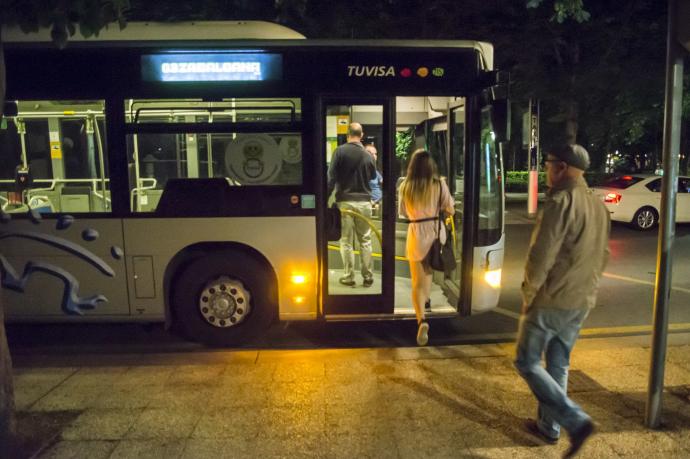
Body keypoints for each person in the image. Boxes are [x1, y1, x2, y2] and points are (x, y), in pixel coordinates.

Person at [514, 144, 610, 458]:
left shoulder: (560, 201)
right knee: (558, 362)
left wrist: (529, 293)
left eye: (548, 164)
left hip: (553, 298)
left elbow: (541, 255)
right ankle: (549, 427)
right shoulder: (598, 205)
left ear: (563, 167)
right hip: (582, 299)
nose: (546, 169)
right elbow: (604, 255)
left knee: (526, 361)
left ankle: (575, 420)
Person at [398, 149, 454, 346]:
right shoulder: (439, 184)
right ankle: (426, 302)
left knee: (417, 282)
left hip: (416, 234)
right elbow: (450, 208)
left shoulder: (405, 186)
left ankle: (421, 319)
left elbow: (403, 213)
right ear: (431, 167)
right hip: (435, 234)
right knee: (428, 275)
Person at [327, 122, 377, 287]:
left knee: (346, 241)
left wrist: (325, 199)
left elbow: (331, 178)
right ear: (361, 135)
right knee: (365, 240)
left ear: (347, 134)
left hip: (345, 202)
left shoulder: (340, 152)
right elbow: (371, 177)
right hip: (364, 202)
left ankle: (349, 277)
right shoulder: (368, 155)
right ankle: (368, 276)